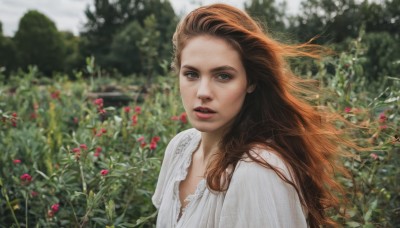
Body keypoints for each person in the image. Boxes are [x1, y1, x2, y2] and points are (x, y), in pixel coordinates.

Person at [152, 3, 350, 228]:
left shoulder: (257, 172)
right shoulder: (180, 147)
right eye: (191, 74)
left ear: (251, 82)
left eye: (223, 76)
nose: (203, 92)